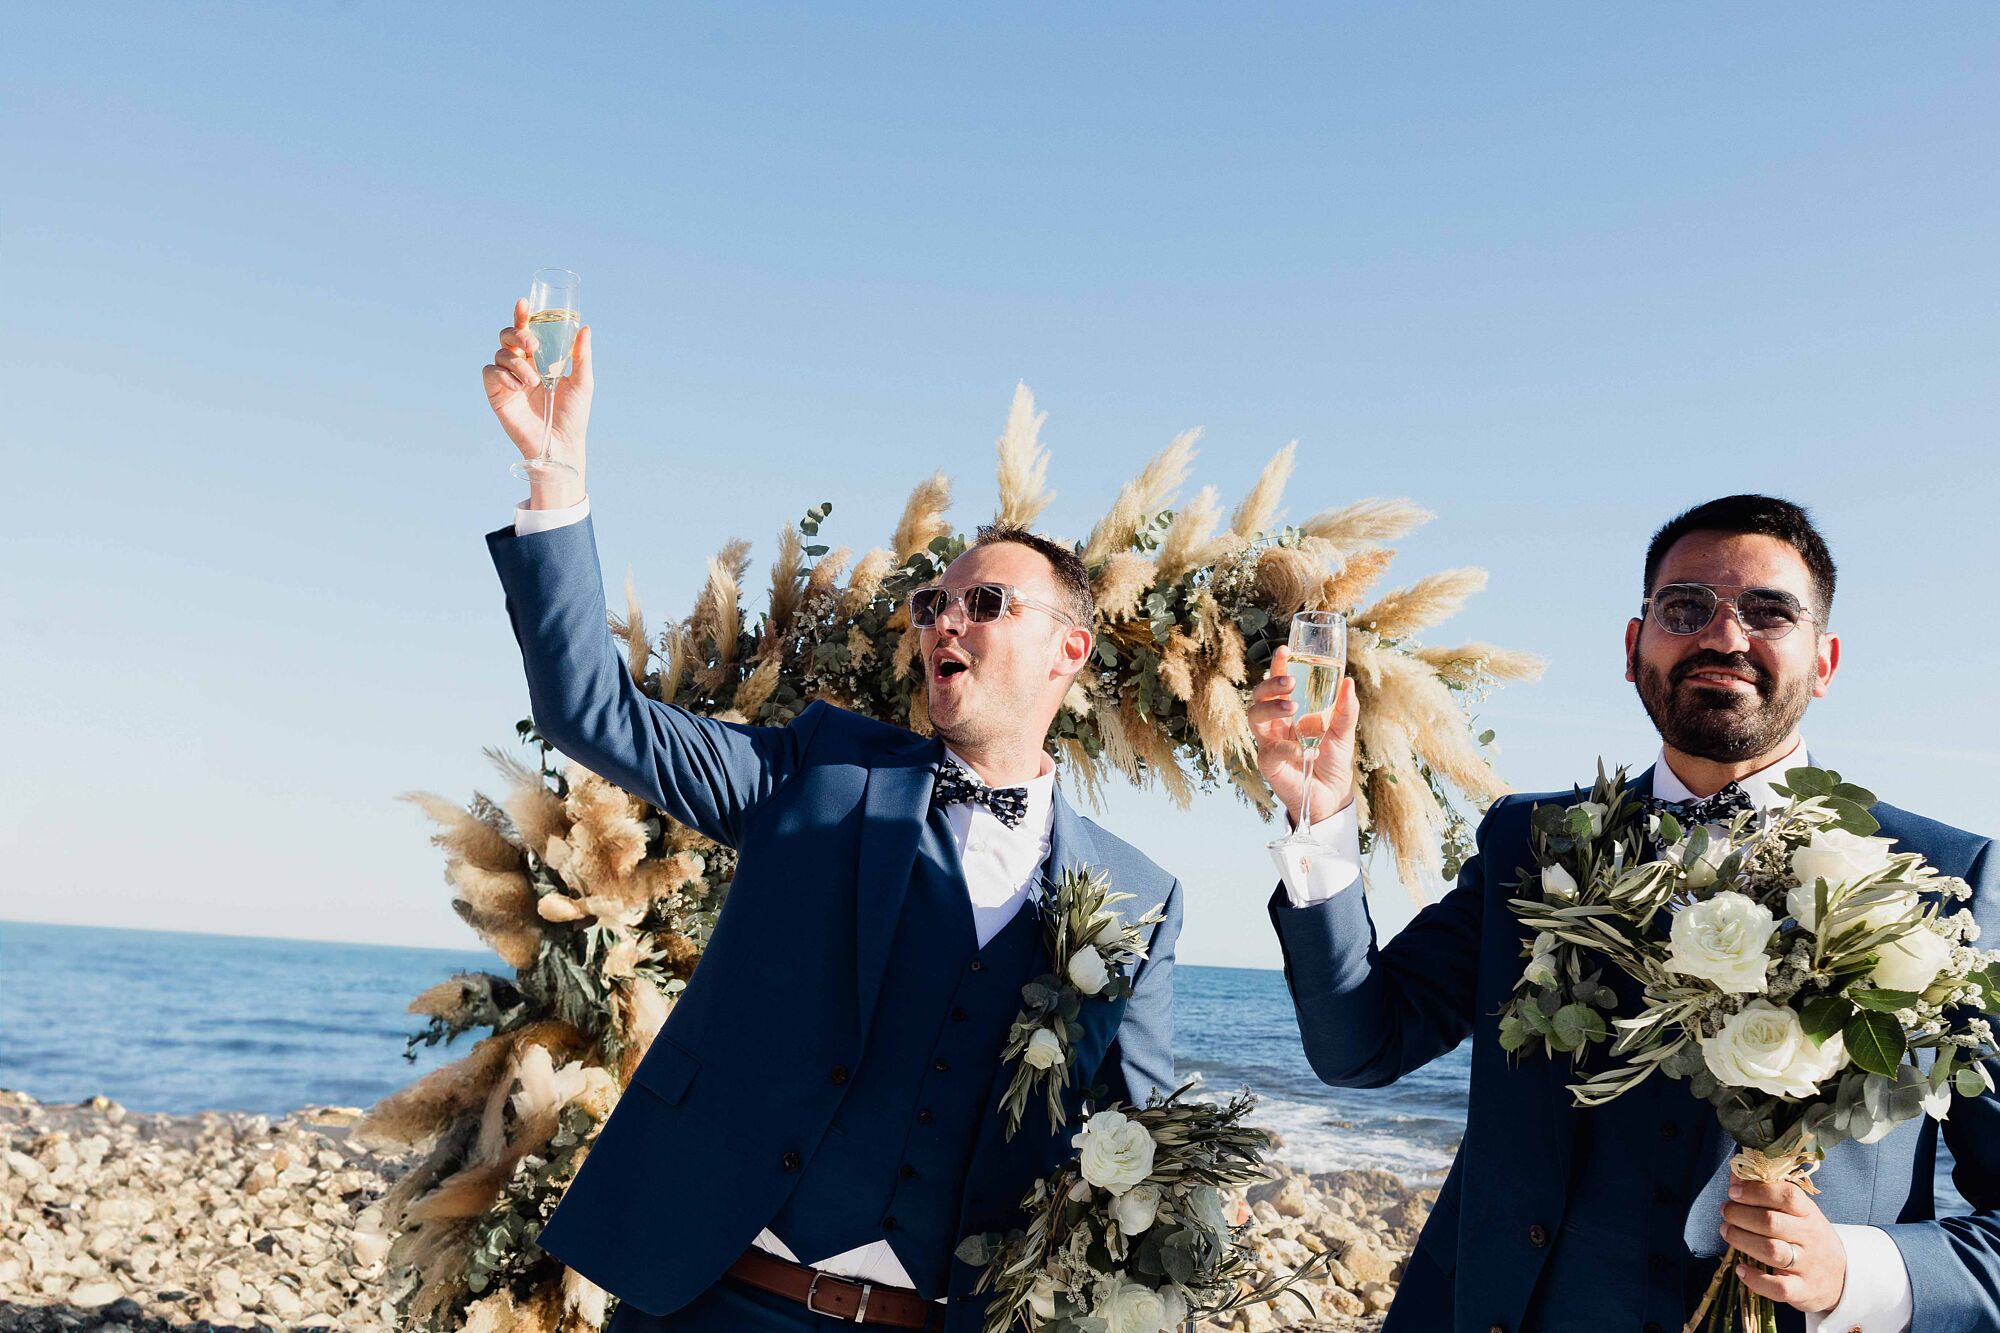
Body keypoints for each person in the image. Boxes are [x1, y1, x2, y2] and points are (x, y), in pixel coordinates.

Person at [476, 304, 1187, 1332]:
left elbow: (1137, 1148)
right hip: (708, 1299)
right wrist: (554, 476)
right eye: (932, 605)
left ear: (1066, 653)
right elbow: (594, 714)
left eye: (983, 604)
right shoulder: (821, 769)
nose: (945, 618)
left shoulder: (1139, 898)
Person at [1252, 494, 1999, 1333]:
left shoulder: (1938, 878)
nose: (1723, 635)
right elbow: (1362, 1046)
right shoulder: (1524, 843)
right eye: (1685, 607)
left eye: (1768, 612)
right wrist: (1321, 816)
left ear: (1824, 661)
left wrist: (1854, 1273)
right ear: (1633, 645)